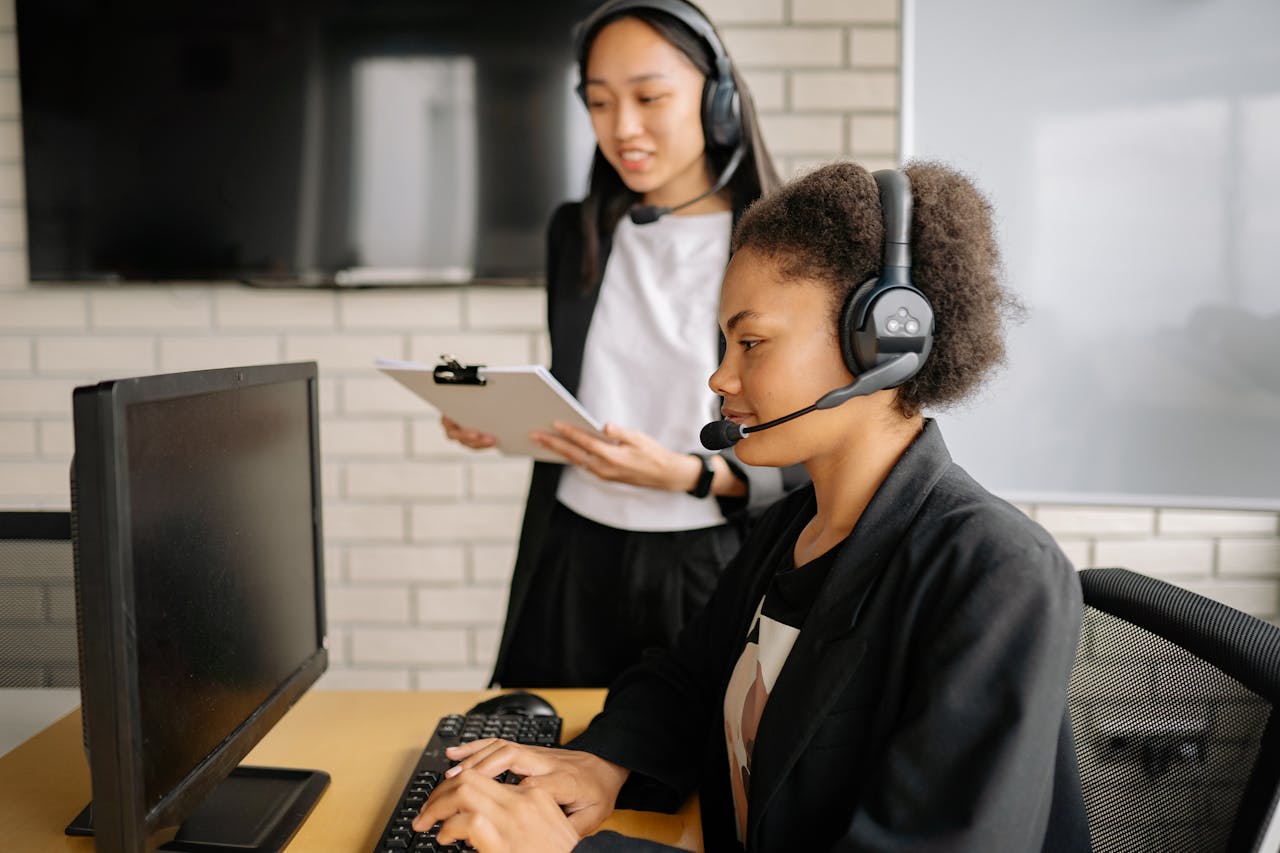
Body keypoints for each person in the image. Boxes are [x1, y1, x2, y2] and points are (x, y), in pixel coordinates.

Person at [413, 160, 1090, 852]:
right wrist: (602, 762)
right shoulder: (794, 525)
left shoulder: (996, 574)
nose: (720, 376)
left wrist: (567, 852)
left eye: (752, 343)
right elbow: (686, 680)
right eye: (725, 344)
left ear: (882, 344)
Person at [442, 0, 795, 689]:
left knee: (701, 748)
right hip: (572, 548)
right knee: (539, 732)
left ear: (719, 101)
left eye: (649, 97)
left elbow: (810, 445)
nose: (622, 128)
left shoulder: (778, 243)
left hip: (707, 557)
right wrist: (510, 417)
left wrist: (690, 475)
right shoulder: (576, 231)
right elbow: (594, 380)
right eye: (599, 102)